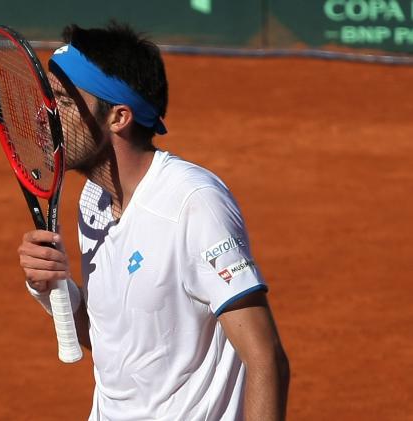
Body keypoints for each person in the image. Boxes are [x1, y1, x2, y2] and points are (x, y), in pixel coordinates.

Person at [17, 21, 290, 421]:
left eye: (63, 101)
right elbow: (117, 344)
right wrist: (52, 288)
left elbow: (266, 359)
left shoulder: (193, 204)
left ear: (118, 117)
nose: (46, 116)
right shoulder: (94, 200)